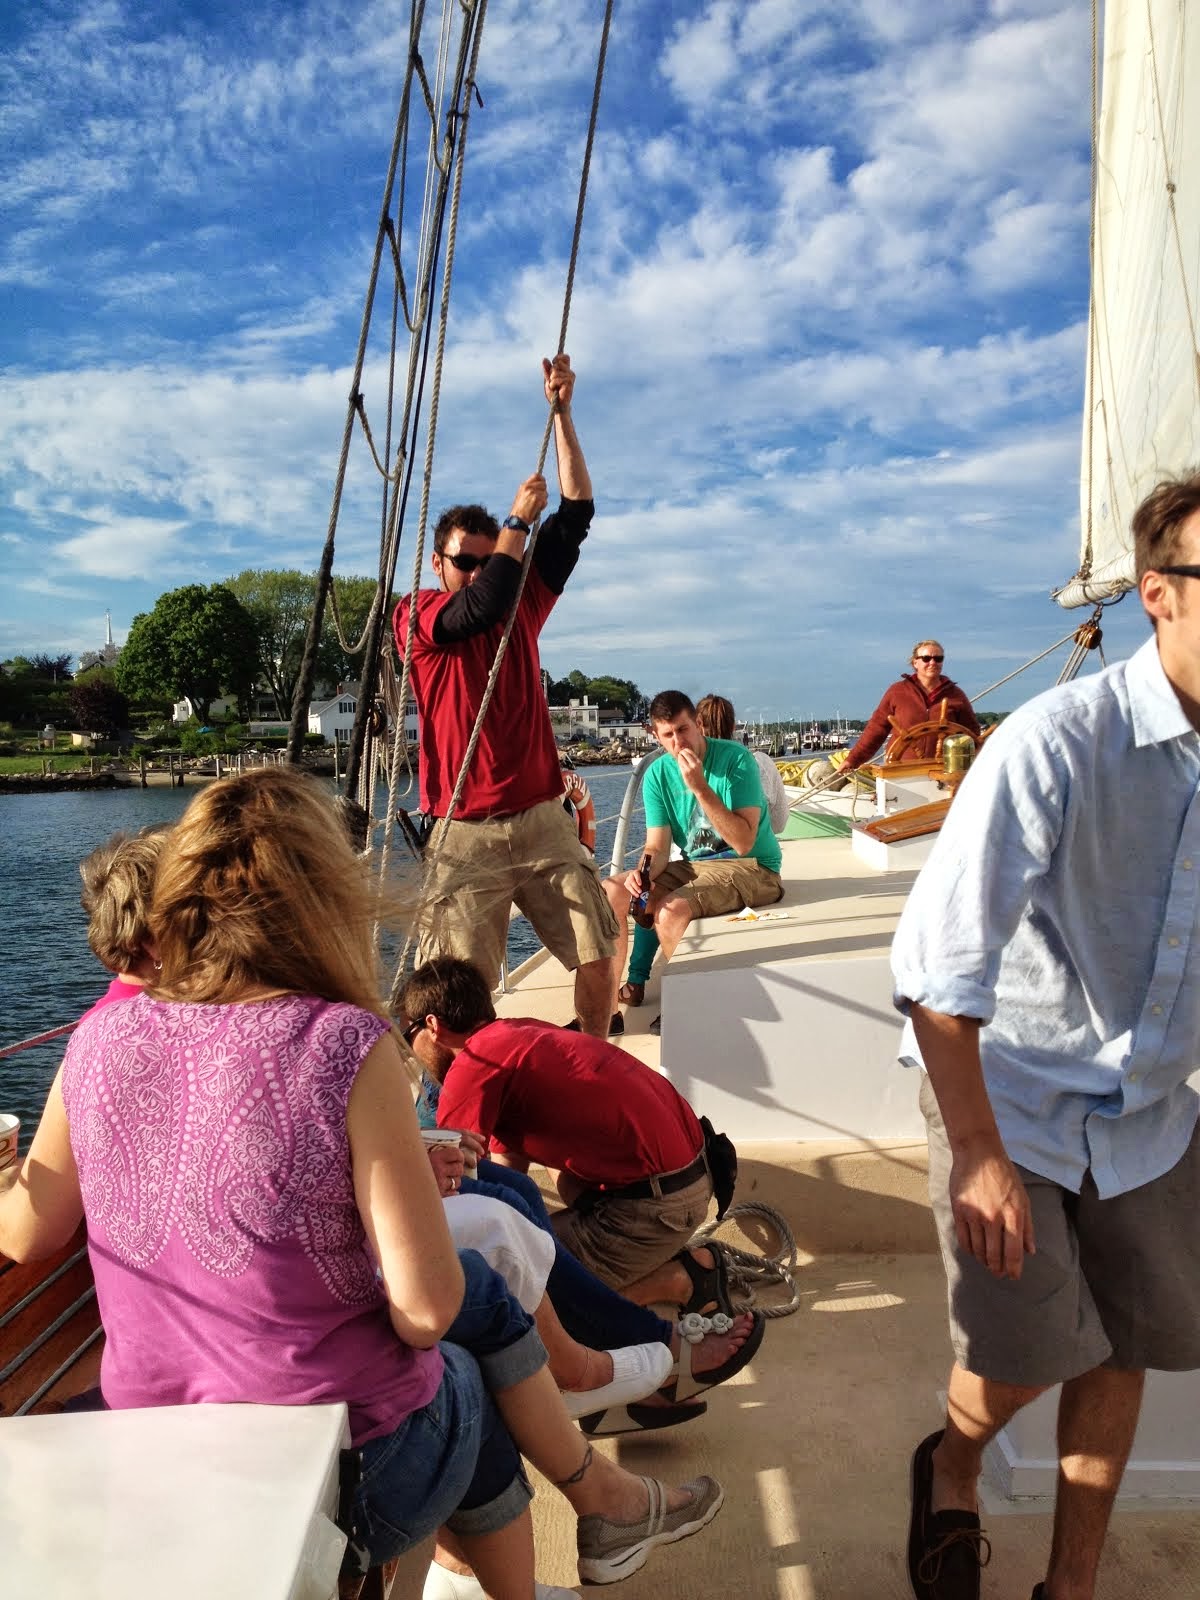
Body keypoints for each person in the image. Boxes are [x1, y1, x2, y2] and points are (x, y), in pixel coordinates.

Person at [0, 767, 722, 1597]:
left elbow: (29, 1227)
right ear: (322, 900)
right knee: (465, 1367)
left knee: (463, 1361)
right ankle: (593, 1512)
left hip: (154, 1439)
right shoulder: (342, 1042)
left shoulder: (98, 1038)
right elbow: (423, 1313)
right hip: (344, 1463)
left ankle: (586, 1516)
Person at [891, 471, 1200, 1600]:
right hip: (1006, 1089)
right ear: (1158, 593)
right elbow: (938, 966)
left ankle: (1068, 1586)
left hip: (1153, 1109)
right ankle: (954, 1460)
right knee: (1024, 1353)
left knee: (1126, 1344)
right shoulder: (1059, 743)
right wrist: (975, 1149)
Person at [398, 955, 767, 1399]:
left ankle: (668, 1314)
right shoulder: (520, 1034)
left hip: (654, 1210)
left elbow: (456, 1193)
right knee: (522, 1218)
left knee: (528, 1284)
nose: (413, 1052)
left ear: (432, 1025)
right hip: (687, 1181)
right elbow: (504, 1170)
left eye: (408, 1036)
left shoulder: (474, 1065)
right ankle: (676, 1273)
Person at [393, 355, 617, 1038]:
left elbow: (577, 513)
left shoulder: (522, 602)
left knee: (599, 949)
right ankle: (464, 1110)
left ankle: (593, 1058)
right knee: (459, 992)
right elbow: (479, 609)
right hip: (464, 832)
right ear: (440, 563)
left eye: (489, 559)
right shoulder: (419, 618)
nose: (482, 571)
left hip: (541, 818)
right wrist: (516, 529)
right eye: (468, 560)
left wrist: (562, 416)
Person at [603, 690, 783, 1029]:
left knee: (670, 910)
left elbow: (744, 842)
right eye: (668, 734)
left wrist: (700, 787)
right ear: (655, 736)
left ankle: (688, 1007)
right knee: (610, 891)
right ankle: (608, 1010)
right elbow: (657, 846)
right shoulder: (657, 775)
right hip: (694, 866)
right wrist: (642, 872)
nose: (678, 741)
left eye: (683, 730)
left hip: (754, 867)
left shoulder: (737, 760)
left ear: (699, 725)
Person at [843, 639, 980, 771]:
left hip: (943, 771)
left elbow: (972, 735)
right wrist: (852, 760)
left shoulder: (956, 695)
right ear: (915, 662)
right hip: (900, 770)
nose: (932, 662)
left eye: (938, 659)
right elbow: (876, 729)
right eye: (926, 658)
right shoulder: (897, 692)